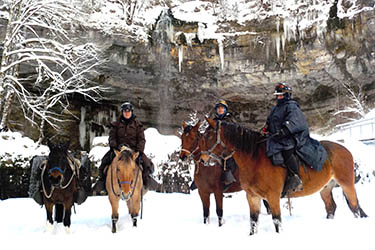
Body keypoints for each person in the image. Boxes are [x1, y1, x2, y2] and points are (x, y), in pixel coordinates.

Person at [263, 82, 327, 194]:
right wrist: (266, 128)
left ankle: (295, 178)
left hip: (291, 137)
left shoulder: (291, 106)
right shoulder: (275, 108)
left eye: (281, 95)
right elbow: (270, 121)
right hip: (276, 137)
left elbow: (296, 121)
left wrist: (285, 130)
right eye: (277, 95)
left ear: (287, 95)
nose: (279, 97)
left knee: (287, 151)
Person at [93, 101, 158, 195]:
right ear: (122, 112)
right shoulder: (116, 125)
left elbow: (142, 140)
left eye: (128, 111)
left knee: (146, 164)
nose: (127, 113)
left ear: (131, 112)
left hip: (134, 151)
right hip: (119, 151)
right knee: (104, 162)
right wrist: (114, 146)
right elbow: (112, 137)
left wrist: (139, 151)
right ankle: (102, 182)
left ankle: (146, 181)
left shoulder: (138, 125)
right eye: (125, 111)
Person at [190, 100, 237, 191]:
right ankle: (198, 179)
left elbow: (233, 133)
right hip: (213, 146)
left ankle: (227, 180)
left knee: (227, 160)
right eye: (218, 108)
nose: (220, 110)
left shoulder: (229, 120)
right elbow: (207, 133)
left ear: (225, 110)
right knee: (201, 157)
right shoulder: (213, 121)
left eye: (222, 108)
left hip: (226, 146)